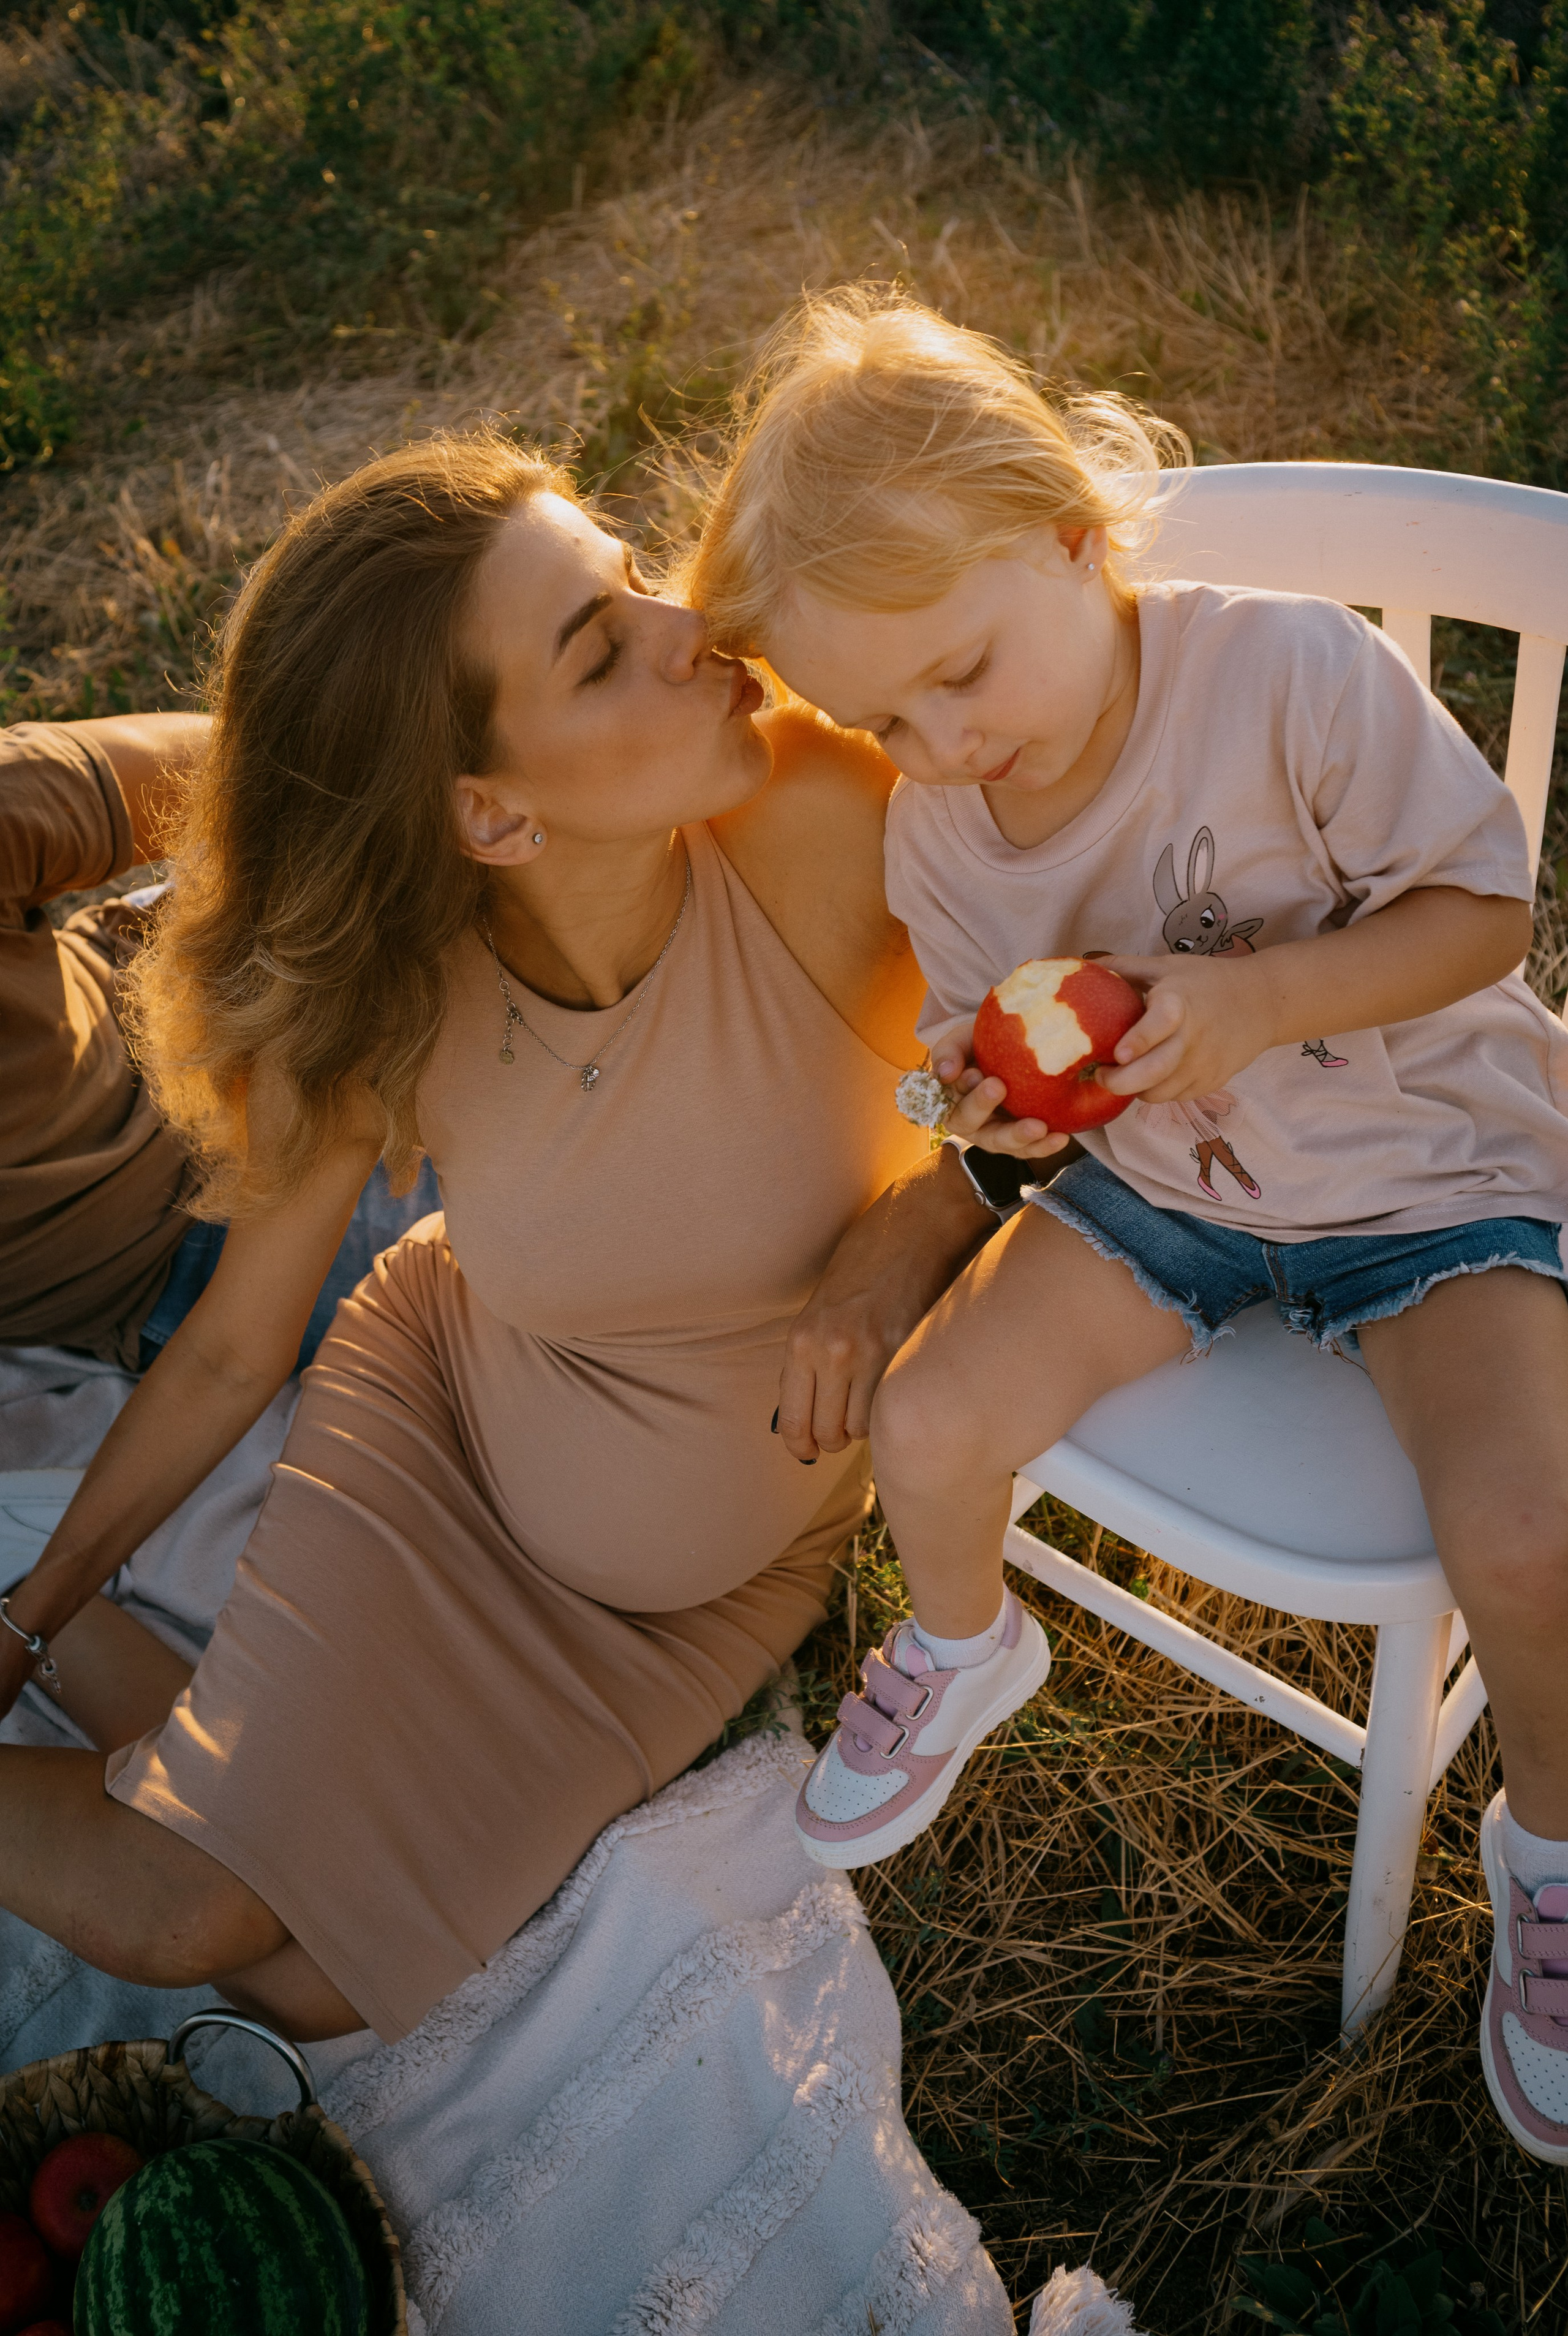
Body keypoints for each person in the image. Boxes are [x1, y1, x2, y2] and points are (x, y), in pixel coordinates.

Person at [687, 290, 1568, 2165]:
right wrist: (994, 1117)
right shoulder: (942, 833)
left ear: (1078, 538)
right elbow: (974, 1073)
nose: (939, 741)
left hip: (1425, 1172)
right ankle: (966, 1642)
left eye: (966, 671)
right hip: (1168, 1194)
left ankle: (1550, 1844)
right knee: (926, 1427)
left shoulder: (1289, 677)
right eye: (882, 717)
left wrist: (1256, 1005)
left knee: (1527, 1525)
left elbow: (1486, 916)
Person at [0, 429, 1010, 2047]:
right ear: (489, 814)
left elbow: (1076, 1040)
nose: (691, 631)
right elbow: (240, 1347)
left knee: (308, 1984)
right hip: (443, 1434)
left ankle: (205, 1742)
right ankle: (120, 1703)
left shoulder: (820, 813)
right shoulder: (403, 987)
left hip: (711, 1587)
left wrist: (916, 1230)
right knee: (193, 1919)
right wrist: (31, 1610)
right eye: (605, 652)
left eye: (631, 581)